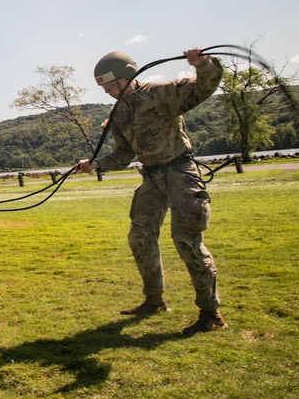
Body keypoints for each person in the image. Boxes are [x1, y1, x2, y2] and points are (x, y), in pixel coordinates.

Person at [74, 48, 227, 336]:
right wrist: (95, 164)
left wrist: (203, 65)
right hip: (152, 178)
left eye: (109, 85)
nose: (106, 92)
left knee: (187, 240)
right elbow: (123, 154)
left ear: (126, 77)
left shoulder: (160, 94)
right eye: (103, 87)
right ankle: (154, 300)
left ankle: (210, 313)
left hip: (180, 174)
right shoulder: (118, 113)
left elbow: (203, 87)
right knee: (140, 236)